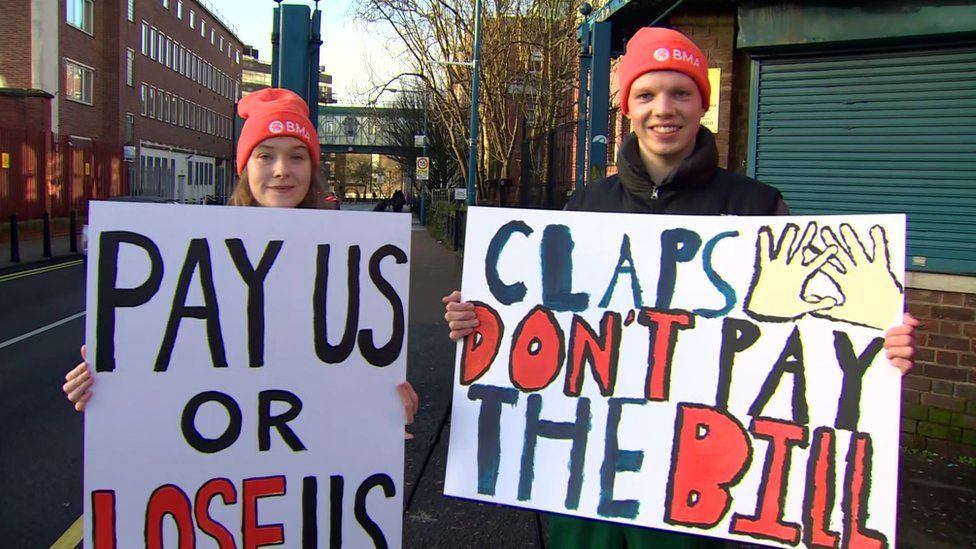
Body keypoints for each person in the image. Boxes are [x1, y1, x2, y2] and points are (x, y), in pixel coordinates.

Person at [442, 27, 918, 547]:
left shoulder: (758, 208)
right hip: (587, 479)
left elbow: (808, 333)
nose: (663, 108)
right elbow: (543, 327)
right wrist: (481, 319)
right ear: (627, 107)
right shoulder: (584, 209)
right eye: (646, 94)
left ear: (702, 104)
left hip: (699, 485)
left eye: (681, 93)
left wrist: (876, 344)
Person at [63, 88, 419, 434]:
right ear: (245, 166)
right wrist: (108, 384)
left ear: (312, 168)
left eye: (297, 156)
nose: (282, 169)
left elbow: (351, 365)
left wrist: (381, 410)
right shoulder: (194, 256)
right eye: (265, 155)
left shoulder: (350, 261)